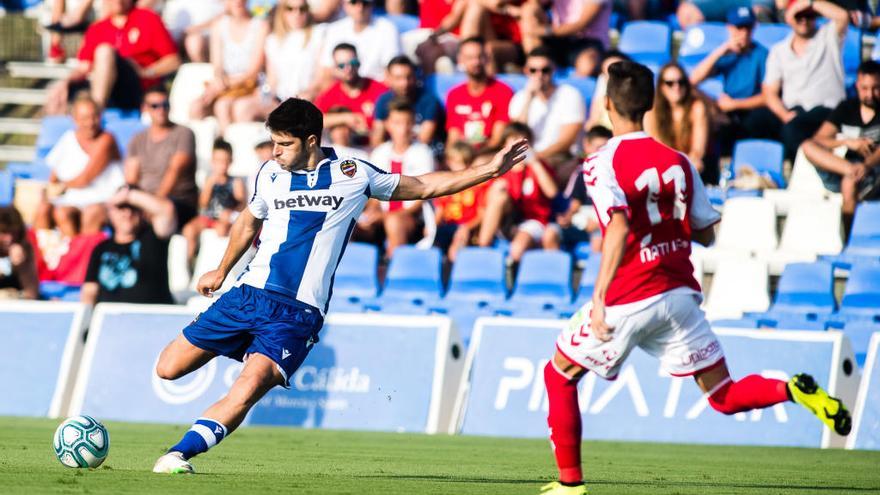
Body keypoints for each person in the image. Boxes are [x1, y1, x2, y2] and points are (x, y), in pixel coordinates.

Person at [150, 97, 528, 474]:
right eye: (275, 143)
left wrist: (489, 169)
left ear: (311, 141)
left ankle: (177, 456)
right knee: (168, 368)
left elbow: (425, 185)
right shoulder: (269, 173)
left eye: (285, 144)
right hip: (247, 295)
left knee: (247, 388)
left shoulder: (354, 174)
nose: (276, 152)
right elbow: (250, 219)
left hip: (296, 314)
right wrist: (221, 269)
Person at [538, 60, 852, 495]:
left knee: (559, 375)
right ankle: (793, 390)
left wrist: (598, 299)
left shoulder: (601, 163)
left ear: (607, 105)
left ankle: (570, 485)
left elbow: (619, 227)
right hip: (680, 293)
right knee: (723, 394)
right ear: (648, 105)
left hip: (632, 293)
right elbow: (705, 231)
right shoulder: (679, 162)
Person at [45, 0, 180, 114]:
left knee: (105, 51)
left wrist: (146, 72)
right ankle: (56, 139)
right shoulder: (97, 28)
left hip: (137, 86)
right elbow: (83, 67)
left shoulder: (148, 19)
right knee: (58, 91)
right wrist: (65, 82)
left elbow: (173, 61)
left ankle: (96, 109)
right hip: (106, 86)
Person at [761, 0, 849, 160]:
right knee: (757, 122)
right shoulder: (779, 50)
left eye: (809, 15)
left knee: (792, 129)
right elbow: (769, 92)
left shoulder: (828, 37)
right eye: (799, 16)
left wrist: (809, 3)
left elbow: (842, 16)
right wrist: (784, 115)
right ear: (789, 17)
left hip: (829, 109)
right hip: (796, 113)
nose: (804, 20)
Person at [802, 60, 880, 239]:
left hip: (874, 172)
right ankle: (850, 171)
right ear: (857, 86)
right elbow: (819, 139)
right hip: (844, 167)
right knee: (807, 145)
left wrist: (867, 164)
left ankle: (848, 239)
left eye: (876, 88)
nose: (870, 94)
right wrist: (847, 143)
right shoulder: (847, 108)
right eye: (865, 88)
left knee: (849, 182)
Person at [39, 95, 125, 238]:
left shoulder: (107, 139)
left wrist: (63, 186)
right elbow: (53, 177)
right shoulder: (68, 138)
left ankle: (80, 255)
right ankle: (53, 255)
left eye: (94, 117)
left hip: (103, 198)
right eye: (85, 118)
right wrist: (48, 193)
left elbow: (85, 179)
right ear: (75, 119)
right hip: (74, 198)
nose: (90, 123)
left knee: (90, 213)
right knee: (47, 211)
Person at [689, 7, 769, 151]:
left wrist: (735, 104)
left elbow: (768, 96)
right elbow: (692, 80)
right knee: (692, 97)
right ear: (730, 28)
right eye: (739, 27)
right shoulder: (727, 54)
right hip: (727, 111)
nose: (744, 33)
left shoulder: (762, 54)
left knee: (757, 119)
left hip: (751, 112)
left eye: (748, 27)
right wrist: (721, 50)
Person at [81, 185, 177, 305]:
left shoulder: (154, 238)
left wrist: (128, 195)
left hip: (151, 317)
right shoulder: (100, 248)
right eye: (121, 207)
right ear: (110, 213)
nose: (128, 213)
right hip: (109, 319)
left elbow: (166, 210)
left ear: (142, 212)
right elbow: (89, 291)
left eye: (133, 207)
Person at [477, 123, 558, 262]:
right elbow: (484, 206)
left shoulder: (538, 166)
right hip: (506, 221)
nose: (518, 146)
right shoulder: (499, 170)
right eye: (514, 141)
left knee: (518, 248)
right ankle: (483, 250)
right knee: (498, 194)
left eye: (523, 142)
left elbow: (552, 192)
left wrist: (534, 163)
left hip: (533, 220)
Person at [366, 100, 437, 255]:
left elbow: (421, 196)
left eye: (407, 123)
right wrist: (371, 213)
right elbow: (372, 191)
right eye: (397, 123)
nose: (403, 129)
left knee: (394, 222)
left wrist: (385, 216)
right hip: (383, 214)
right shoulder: (380, 152)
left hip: (412, 219)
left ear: (413, 126)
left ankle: (392, 269)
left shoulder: (422, 152)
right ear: (388, 125)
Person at [126, 87, 199, 229]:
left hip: (178, 200)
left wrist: (153, 203)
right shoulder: (137, 139)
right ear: (145, 108)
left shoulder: (184, 133)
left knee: (162, 214)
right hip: (145, 199)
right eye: (155, 106)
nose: (161, 109)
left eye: (165, 105)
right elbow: (131, 178)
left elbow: (175, 171)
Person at [191, 0, 269, 132]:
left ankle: (228, 148)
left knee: (223, 107)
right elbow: (217, 66)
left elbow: (253, 71)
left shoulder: (261, 25)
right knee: (196, 108)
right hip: (226, 85)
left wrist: (223, 84)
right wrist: (220, 81)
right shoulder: (219, 26)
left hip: (251, 85)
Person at [509, 47, 586, 167]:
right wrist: (529, 99)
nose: (539, 75)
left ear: (554, 69)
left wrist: (534, 159)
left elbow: (566, 142)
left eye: (545, 70)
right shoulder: (520, 98)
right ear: (526, 71)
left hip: (561, 158)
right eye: (533, 70)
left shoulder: (570, 95)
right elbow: (515, 135)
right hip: (528, 161)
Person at [645, 62, 717, 185]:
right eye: (670, 83)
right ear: (661, 87)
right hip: (664, 170)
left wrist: (681, 169)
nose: (676, 87)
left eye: (681, 82)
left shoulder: (697, 108)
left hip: (690, 169)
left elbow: (698, 151)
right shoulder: (652, 112)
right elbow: (655, 149)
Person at [182, 139, 247, 267]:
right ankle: (191, 261)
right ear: (212, 162)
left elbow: (242, 203)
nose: (221, 165)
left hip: (224, 218)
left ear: (230, 161)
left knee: (221, 230)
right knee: (189, 229)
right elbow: (203, 204)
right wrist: (210, 184)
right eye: (218, 161)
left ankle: (217, 264)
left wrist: (231, 212)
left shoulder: (235, 181)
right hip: (207, 217)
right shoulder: (209, 180)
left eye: (225, 161)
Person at [445, 37, 514, 149]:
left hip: (490, 155)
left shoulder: (503, 91)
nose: (476, 62)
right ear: (460, 60)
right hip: (462, 156)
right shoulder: (454, 94)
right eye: (470, 58)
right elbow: (453, 137)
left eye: (480, 56)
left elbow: (497, 139)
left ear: (487, 58)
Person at [315, 43, 389, 141]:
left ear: (359, 63)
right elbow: (315, 121)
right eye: (341, 65)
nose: (348, 69)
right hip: (345, 151)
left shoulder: (379, 90)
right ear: (335, 68)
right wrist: (347, 118)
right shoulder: (330, 94)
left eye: (352, 63)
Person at [320, 0, 402, 82]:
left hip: (377, 90)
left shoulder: (388, 29)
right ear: (344, 5)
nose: (360, 8)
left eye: (365, 3)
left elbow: (392, 73)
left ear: (373, 5)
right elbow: (327, 72)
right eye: (353, 2)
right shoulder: (334, 30)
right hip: (343, 90)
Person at [370, 56, 443, 147]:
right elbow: (377, 139)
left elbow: (424, 139)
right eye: (398, 78)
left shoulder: (429, 101)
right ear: (389, 78)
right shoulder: (384, 101)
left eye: (409, 77)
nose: (405, 83)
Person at [263, 0, 326, 103]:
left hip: (307, 97)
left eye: (302, 9)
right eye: (290, 9)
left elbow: (321, 77)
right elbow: (272, 80)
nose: (297, 13)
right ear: (282, 11)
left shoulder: (319, 34)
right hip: (279, 99)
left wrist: (304, 94)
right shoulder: (272, 41)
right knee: (242, 108)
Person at [434, 141, 489, 261]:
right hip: (447, 226)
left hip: (465, 228)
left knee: (457, 245)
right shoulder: (444, 183)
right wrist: (432, 228)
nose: (462, 167)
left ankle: (455, 275)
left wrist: (466, 227)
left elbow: (481, 215)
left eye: (466, 163)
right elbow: (439, 211)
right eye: (458, 163)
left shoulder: (477, 186)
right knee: (432, 245)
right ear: (449, 162)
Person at [519, 0, 611, 65]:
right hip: (560, 39)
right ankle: (535, 66)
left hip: (589, 42)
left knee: (587, 64)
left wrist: (544, 31)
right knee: (529, 9)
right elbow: (534, 3)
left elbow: (579, 25)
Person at [0, 207, 39, 300]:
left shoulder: (24, 249)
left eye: (13, 232)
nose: (9, 239)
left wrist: (21, 265)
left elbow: (31, 293)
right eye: (3, 232)